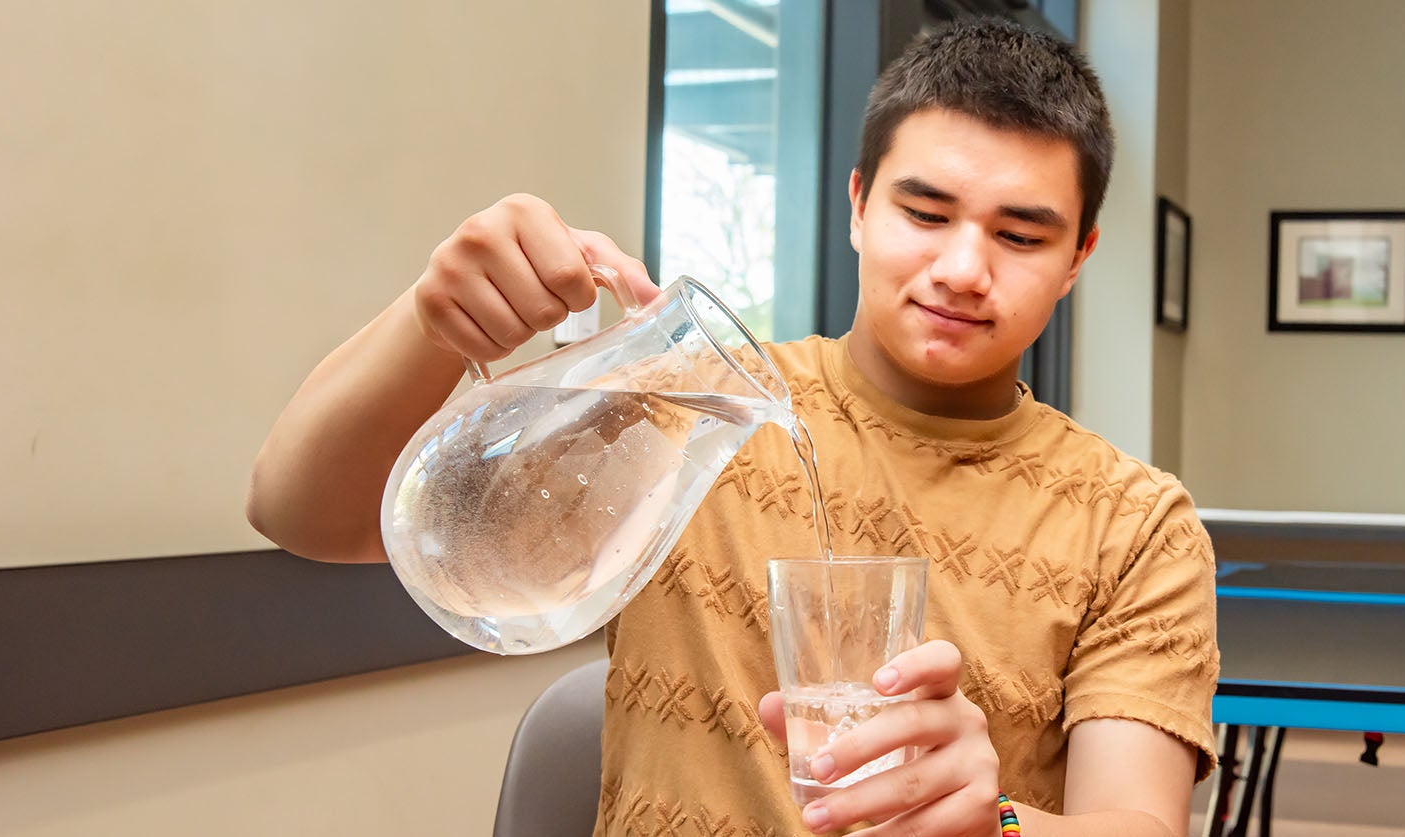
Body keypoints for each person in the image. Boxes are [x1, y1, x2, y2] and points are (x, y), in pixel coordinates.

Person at [247, 16, 1217, 837]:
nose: (965, 268)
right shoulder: (687, 409)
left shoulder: (1133, 525)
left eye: (1019, 234)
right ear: (856, 206)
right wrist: (430, 321)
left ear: (1080, 254)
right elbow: (303, 514)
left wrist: (995, 820)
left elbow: (1134, 822)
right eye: (925, 212)